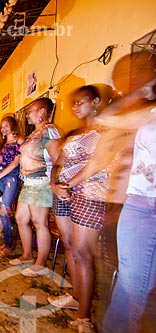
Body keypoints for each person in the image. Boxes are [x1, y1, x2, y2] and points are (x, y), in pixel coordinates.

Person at [49, 86, 117, 332]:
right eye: (73, 103)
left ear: (96, 101)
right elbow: (60, 163)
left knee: (83, 252)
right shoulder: (77, 133)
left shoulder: (107, 131)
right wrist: (54, 184)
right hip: (64, 194)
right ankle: (76, 296)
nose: (76, 107)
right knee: (70, 248)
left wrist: (68, 184)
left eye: (81, 102)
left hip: (90, 195)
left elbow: (98, 165)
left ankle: (84, 317)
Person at [101, 52, 156, 333]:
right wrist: (136, 90)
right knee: (131, 283)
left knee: (138, 285)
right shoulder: (148, 113)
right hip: (139, 203)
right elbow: (108, 116)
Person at [9, 97, 61, 277]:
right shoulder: (35, 133)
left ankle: (41, 262)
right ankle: (27, 255)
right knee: (21, 218)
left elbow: (57, 160)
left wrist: (54, 181)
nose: (27, 114)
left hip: (41, 183)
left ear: (41, 112)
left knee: (40, 223)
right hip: (29, 183)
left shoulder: (49, 131)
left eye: (30, 111)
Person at [0, 116, 24, 256]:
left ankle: (9, 246)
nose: (3, 128)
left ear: (13, 126)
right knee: (1, 212)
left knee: (4, 210)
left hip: (11, 179)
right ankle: (7, 242)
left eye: (6, 125)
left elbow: (15, 163)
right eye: (1, 126)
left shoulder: (19, 141)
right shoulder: (2, 144)